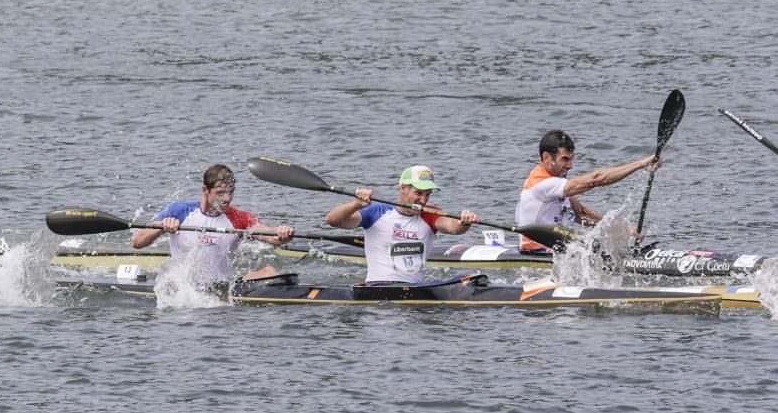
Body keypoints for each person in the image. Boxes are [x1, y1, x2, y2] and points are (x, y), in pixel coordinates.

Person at [130, 164, 295, 285]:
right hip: (182, 286)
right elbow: (137, 242)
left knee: (271, 273)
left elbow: (272, 237)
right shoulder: (180, 211)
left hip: (222, 286)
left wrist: (282, 232)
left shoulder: (239, 218)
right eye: (220, 193)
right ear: (205, 190)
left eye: (230, 192)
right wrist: (161, 228)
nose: (226, 198)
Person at [324, 165, 479, 284]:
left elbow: (453, 227)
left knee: (470, 279)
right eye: (418, 193)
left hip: (416, 288)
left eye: (427, 195)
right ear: (403, 188)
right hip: (378, 286)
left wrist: (463, 222)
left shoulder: (430, 213)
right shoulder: (376, 212)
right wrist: (356, 204)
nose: (423, 201)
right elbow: (333, 220)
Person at [515, 129, 658, 252]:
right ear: (546, 157)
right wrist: (640, 164)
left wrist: (624, 230)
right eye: (564, 159)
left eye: (571, 159)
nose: (570, 165)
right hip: (537, 252)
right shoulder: (542, 183)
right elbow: (595, 179)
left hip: (559, 251)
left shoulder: (556, 184)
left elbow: (581, 214)